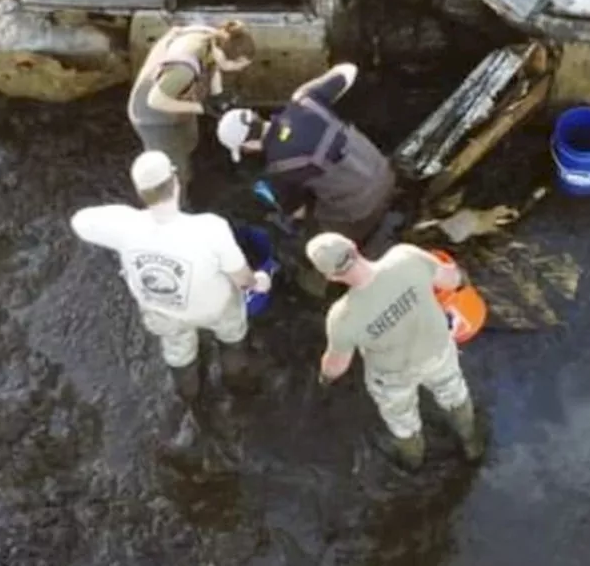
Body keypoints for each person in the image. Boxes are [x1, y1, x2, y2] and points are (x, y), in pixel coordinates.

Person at [69, 151, 273, 407]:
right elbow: (242, 278)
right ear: (175, 183)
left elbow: (79, 221)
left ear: (140, 192)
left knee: (178, 353)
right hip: (216, 307)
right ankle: (239, 385)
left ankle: (190, 398)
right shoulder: (210, 228)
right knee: (232, 338)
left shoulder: (125, 226)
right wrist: (259, 281)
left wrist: (126, 215)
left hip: (163, 311)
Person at [309, 231, 484, 470]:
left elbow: (337, 365)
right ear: (353, 244)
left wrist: (324, 379)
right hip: (438, 352)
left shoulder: (342, 317)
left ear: (330, 276)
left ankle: (413, 461)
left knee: (402, 420)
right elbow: (452, 280)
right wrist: (462, 280)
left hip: (392, 377)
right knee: (454, 395)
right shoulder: (406, 258)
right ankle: (471, 444)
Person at [215, 62, 396, 246]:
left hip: (363, 209)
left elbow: (298, 211)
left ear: (249, 144)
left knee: (322, 229)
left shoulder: (279, 168)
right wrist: (305, 91)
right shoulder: (306, 101)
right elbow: (349, 71)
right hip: (385, 171)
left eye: (244, 150)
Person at [128, 20, 257, 193]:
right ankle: (177, 200)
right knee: (172, 167)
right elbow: (155, 100)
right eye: (236, 65)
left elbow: (214, 66)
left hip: (180, 102)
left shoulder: (214, 38)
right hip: (154, 118)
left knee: (189, 141)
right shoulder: (184, 69)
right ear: (222, 54)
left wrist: (217, 95)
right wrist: (201, 107)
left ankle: (189, 168)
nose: (238, 70)